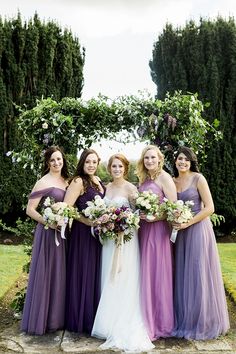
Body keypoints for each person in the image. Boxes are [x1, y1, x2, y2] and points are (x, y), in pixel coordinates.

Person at [92, 153, 154, 352]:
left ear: (125, 169)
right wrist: (107, 222)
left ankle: (125, 318)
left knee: (124, 276)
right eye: (113, 166)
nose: (117, 169)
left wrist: (126, 223)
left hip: (126, 240)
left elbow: (138, 214)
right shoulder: (106, 188)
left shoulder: (131, 188)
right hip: (109, 241)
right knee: (109, 277)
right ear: (109, 168)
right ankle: (108, 322)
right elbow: (102, 212)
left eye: (120, 166)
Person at [171, 146, 230, 340]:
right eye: (180, 159)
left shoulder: (198, 178)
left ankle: (202, 321)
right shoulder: (172, 181)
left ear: (191, 162)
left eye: (186, 160)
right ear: (175, 161)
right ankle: (185, 318)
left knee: (198, 274)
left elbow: (210, 207)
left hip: (197, 230)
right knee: (182, 274)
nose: (183, 162)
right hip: (179, 233)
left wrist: (188, 222)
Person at [21, 146, 69, 335]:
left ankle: (57, 318)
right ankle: (44, 319)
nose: (57, 163)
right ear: (47, 163)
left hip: (64, 233)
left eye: (59, 159)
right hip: (48, 234)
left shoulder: (66, 180)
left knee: (60, 273)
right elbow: (30, 209)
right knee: (47, 272)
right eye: (53, 160)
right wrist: (49, 222)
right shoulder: (43, 181)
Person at [136, 145, 177, 341]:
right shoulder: (143, 180)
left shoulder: (165, 178)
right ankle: (145, 318)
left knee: (158, 273)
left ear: (159, 159)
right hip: (143, 231)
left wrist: (156, 217)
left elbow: (173, 208)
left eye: (152, 157)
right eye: (146, 158)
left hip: (159, 231)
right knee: (145, 273)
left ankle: (161, 322)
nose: (149, 161)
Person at [64, 148, 105, 334]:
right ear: (83, 162)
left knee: (94, 273)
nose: (91, 165)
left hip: (96, 236)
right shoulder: (78, 181)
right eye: (88, 161)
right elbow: (67, 209)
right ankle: (79, 318)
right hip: (82, 234)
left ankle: (93, 315)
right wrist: (86, 220)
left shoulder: (98, 181)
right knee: (82, 272)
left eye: (94, 162)